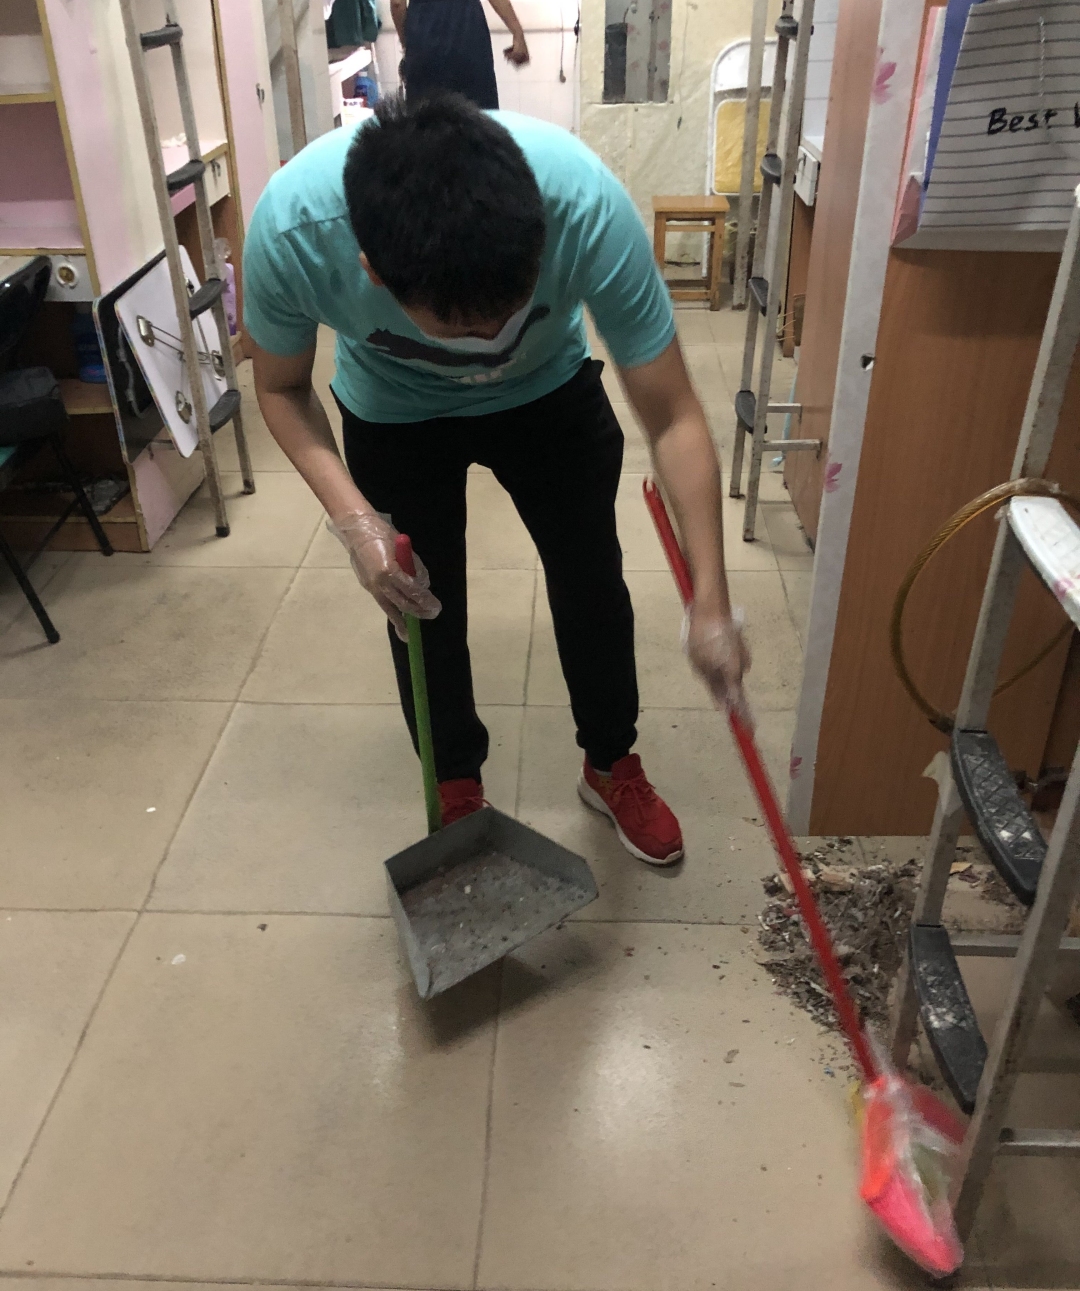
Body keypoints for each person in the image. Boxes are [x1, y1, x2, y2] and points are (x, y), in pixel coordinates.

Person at [243, 93, 750, 867]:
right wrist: (356, 522)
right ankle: (456, 786)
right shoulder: (293, 234)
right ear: (372, 271)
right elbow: (279, 389)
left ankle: (611, 762)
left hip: (547, 390)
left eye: (507, 313)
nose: (487, 343)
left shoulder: (583, 207)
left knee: (591, 580)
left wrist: (711, 602)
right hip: (395, 410)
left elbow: (675, 414)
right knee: (419, 604)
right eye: (462, 328)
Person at [390, 0, 528, 110]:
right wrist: (517, 33)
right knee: (479, 116)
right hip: (467, 34)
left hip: (423, 38)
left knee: (425, 120)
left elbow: (397, 3)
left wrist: (408, 45)